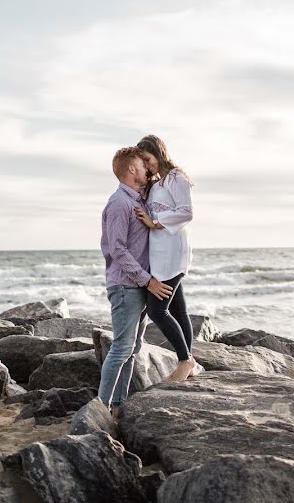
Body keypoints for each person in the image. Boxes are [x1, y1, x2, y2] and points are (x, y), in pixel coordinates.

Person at [97, 146, 174, 419]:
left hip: (138, 286)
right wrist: (147, 281)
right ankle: (100, 408)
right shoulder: (119, 203)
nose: (146, 170)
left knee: (133, 350)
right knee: (120, 348)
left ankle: (118, 406)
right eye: (142, 166)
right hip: (126, 285)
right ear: (132, 170)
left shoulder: (138, 201)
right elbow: (117, 249)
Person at [133, 135, 197, 382]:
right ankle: (188, 363)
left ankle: (184, 360)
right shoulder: (157, 183)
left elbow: (186, 212)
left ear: (159, 153)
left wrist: (156, 222)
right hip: (159, 253)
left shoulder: (176, 178)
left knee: (157, 310)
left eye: (148, 159)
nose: (147, 165)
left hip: (173, 251)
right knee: (179, 310)